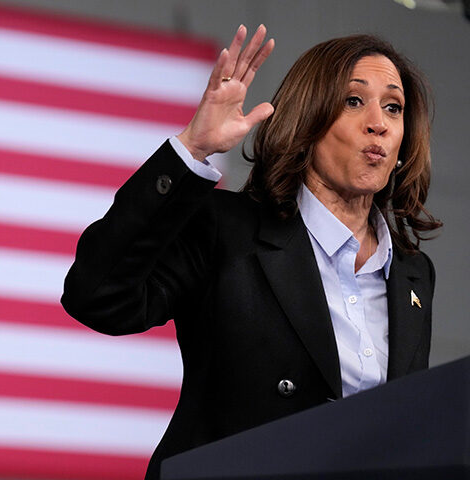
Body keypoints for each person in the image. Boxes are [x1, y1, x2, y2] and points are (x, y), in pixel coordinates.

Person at [62, 25, 442, 480]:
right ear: (307, 122)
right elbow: (98, 296)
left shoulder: (412, 274)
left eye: (393, 107)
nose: (378, 122)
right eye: (353, 101)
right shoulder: (228, 229)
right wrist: (194, 148)